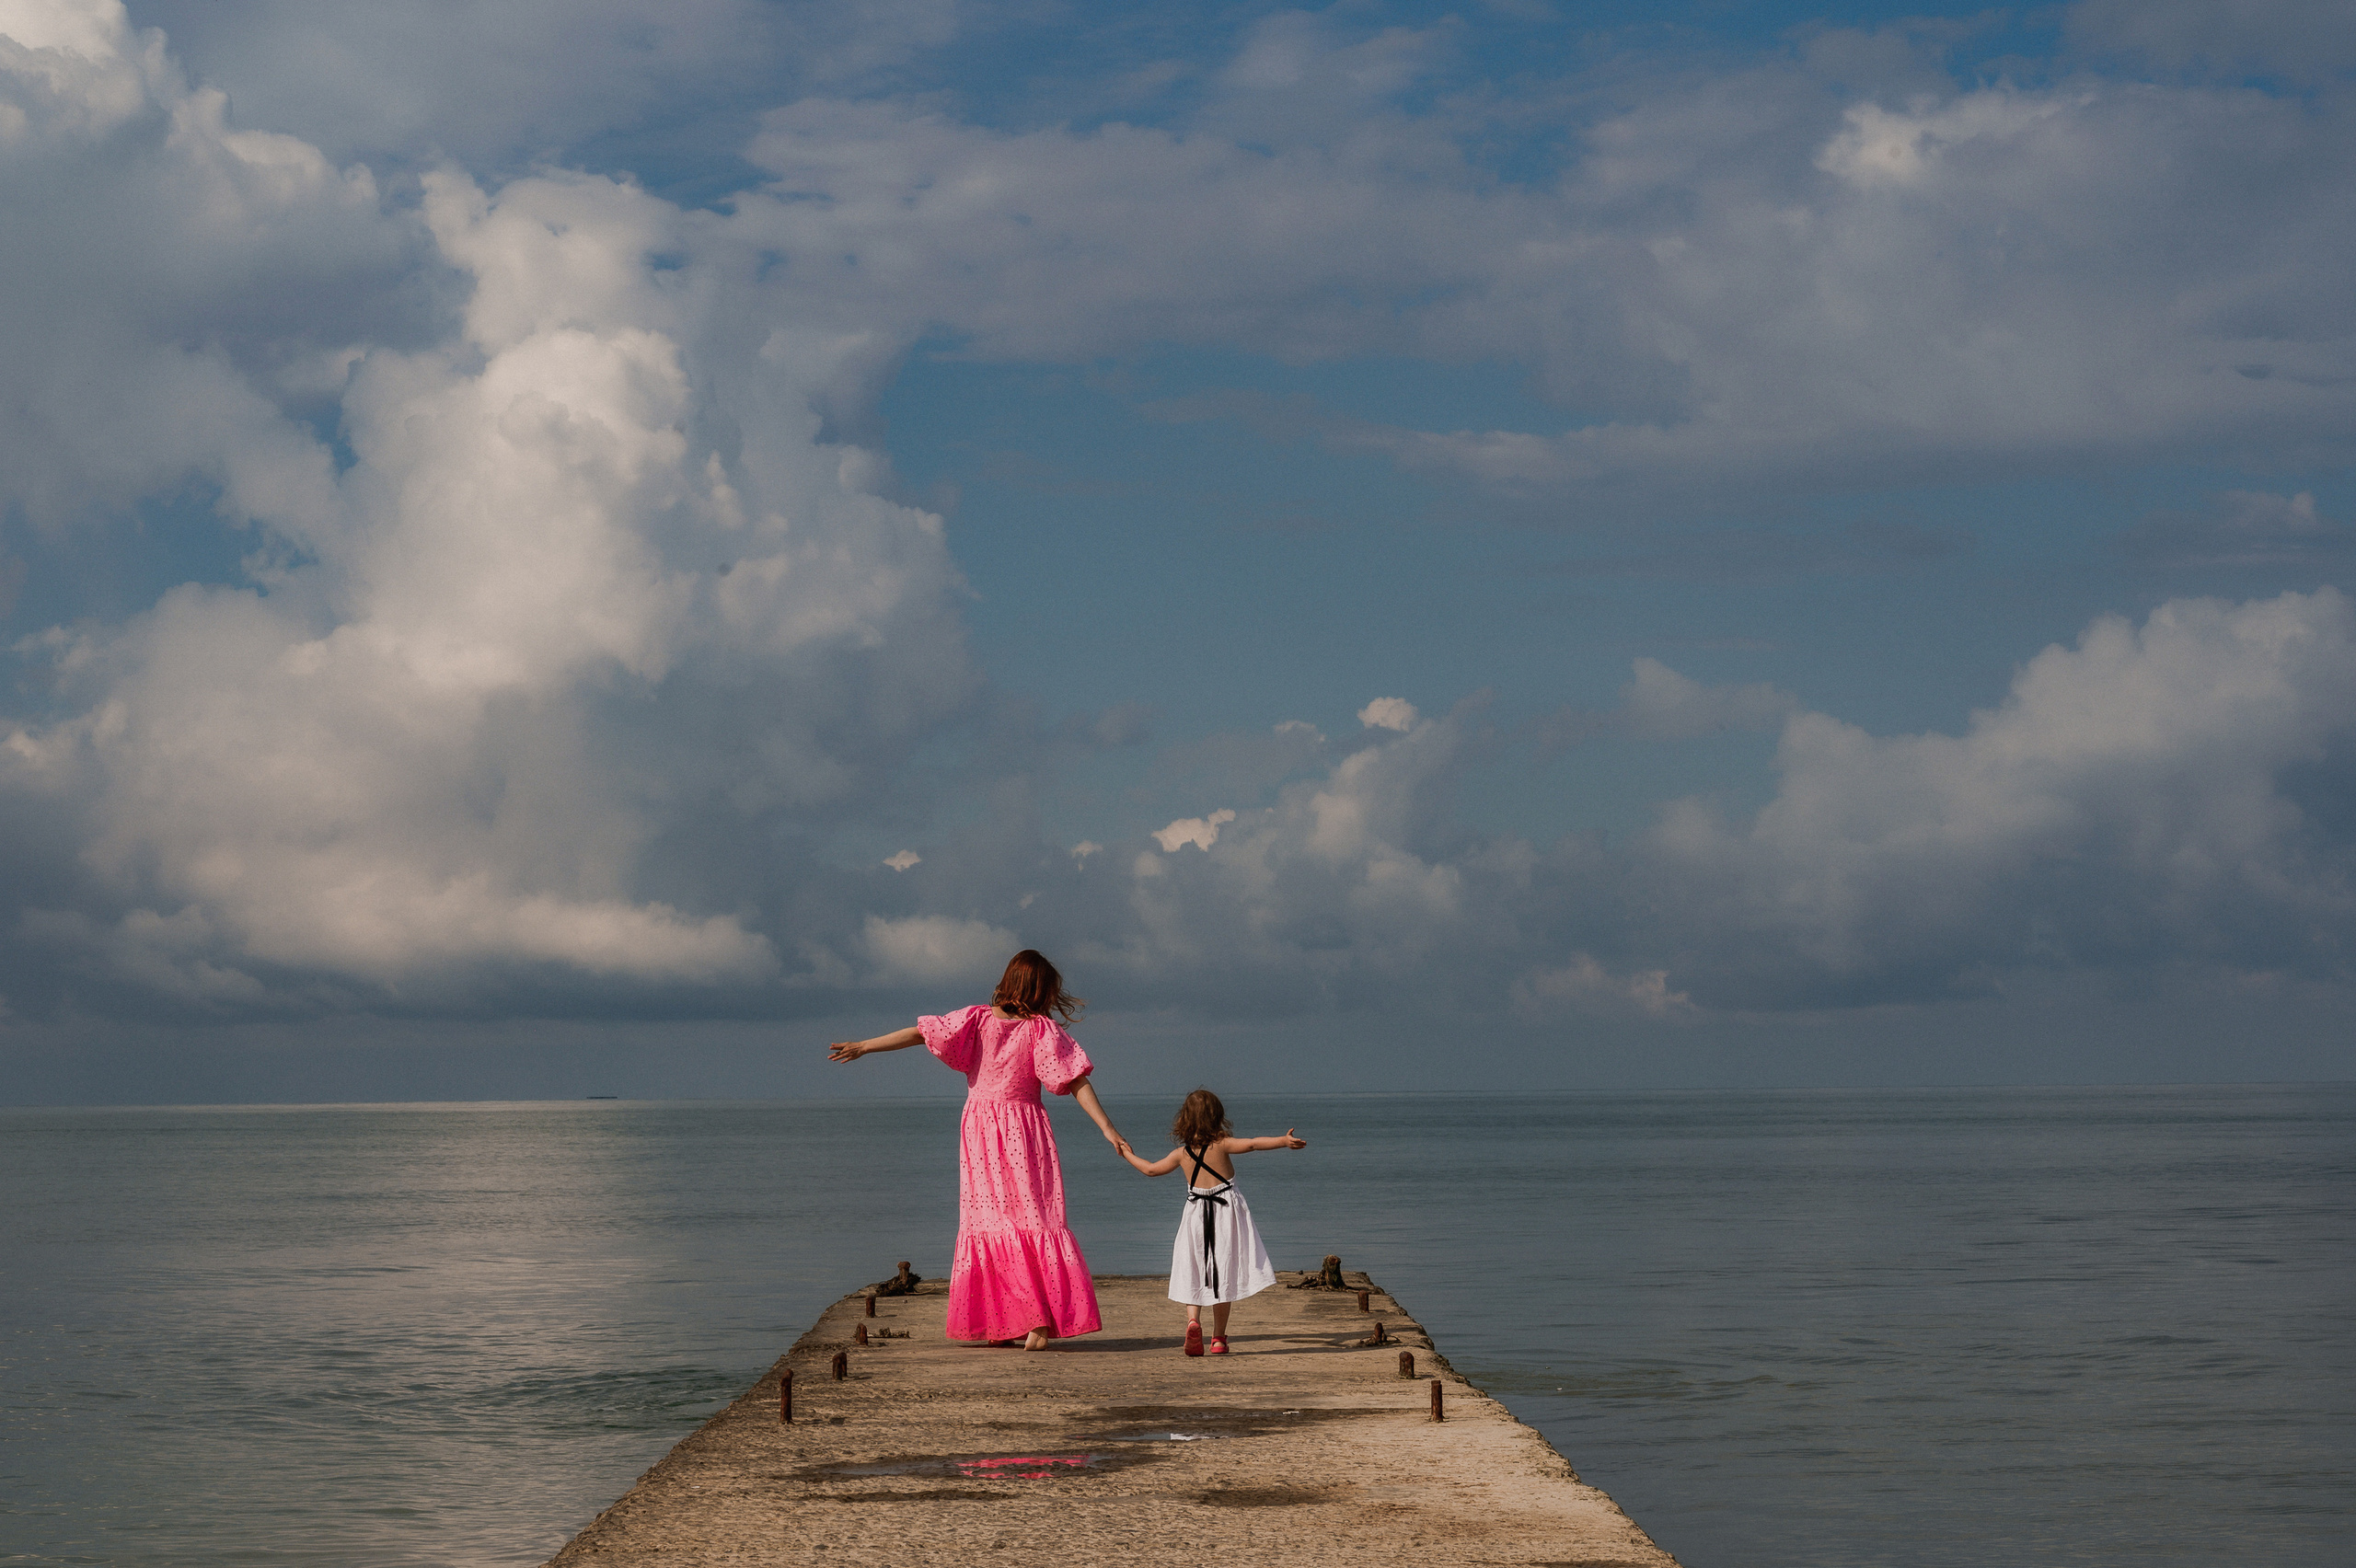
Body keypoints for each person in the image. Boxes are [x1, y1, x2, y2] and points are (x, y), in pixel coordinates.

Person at [828, 950, 1125, 1352]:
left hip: (982, 1131)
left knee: (993, 1223)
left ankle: (1026, 1319)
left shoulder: (976, 1019)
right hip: (1024, 1131)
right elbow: (1075, 1081)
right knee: (1033, 1219)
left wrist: (865, 1045)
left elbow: (920, 1033)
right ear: (1038, 990)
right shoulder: (1040, 1030)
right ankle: (1011, 1321)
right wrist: (1107, 1128)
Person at [1116, 1089, 1306, 1356]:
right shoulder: (1223, 1144)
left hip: (1195, 1216)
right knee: (1223, 1273)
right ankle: (1218, 1339)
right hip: (1225, 1215)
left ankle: (1193, 1320)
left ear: (1184, 1119)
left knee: (1193, 1268)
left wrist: (1126, 1154)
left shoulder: (1181, 1154)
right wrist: (1283, 1141)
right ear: (1217, 1117)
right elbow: (1252, 1144)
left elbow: (1149, 1169)